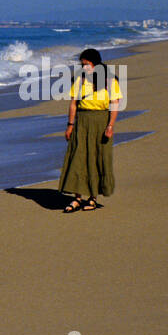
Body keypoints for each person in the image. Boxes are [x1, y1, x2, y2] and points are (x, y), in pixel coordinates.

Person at [58, 48, 120, 212]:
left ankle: (92, 198)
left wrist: (111, 125)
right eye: (82, 64)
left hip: (101, 121)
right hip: (82, 121)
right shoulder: (79, 79)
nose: (84, 67)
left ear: (96, 63)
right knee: (78, 158)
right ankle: (77, 199)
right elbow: (73, 104)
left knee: (97, 158)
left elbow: (114, 104)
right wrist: (70, 125)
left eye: (86, 64)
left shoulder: (109, 80)